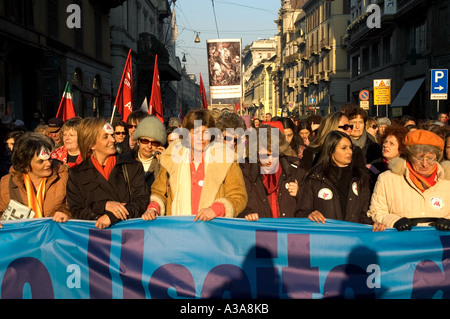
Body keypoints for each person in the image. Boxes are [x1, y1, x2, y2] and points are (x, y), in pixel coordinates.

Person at [142, 108, 247, 222]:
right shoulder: (172, 158)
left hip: (212, 232)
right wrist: (153, 208)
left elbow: (238, 196)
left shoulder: (226, 160)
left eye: (205, 132)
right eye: (195, 133)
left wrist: (216, 210)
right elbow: (159, 192)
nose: (201, 138)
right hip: (179, 232)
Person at [66, 117, 149, 229]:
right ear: (91, 144)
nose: (113, 140)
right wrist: (103, 206)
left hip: (127, 236)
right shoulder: (77, 173)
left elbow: (141, 201)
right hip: (94, 237)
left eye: (112, 135)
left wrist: (112, 217)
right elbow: (76, 210)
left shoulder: (132, 167)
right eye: (105, 137)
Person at [368, 129, 450, 231]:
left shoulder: (447, 181)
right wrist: (394, 221)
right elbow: (376, 212)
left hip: (439, 245)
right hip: (400, 243)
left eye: (430, 158)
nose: (424, 164)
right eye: (419, 158)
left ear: (437, 157)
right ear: (409, 156)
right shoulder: (387, 179)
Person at [295, 131, 377, 228]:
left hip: (352, 239)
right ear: (331, 151)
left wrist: (374, 224)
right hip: (325, 238)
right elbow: (301, 212)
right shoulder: (315, 178)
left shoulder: (360, 178)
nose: (349, 151)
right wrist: (310, 214)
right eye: (344, 148)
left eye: (350, 147)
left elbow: (363, 215)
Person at [0, 132, 71, 226]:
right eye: (41, 161)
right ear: (25, 166)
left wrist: (65, 213)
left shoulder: (64, 177)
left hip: (53, 238)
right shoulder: (6, 182)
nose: (48, 164)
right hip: (22, 238)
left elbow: (76, 207)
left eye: (49, 158)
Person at [238, 126, 306, 221]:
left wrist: (300, 193)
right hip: (260, 232)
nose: (269, 160)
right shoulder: (245, 172)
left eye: (273, 155)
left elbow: (309, 207)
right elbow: (236, 202)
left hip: (287, 233)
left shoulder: (295, 170)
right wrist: (246, 213)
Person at [132, 116, 167, 190]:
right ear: (138, 141)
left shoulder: (162, 164)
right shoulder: (128, 160)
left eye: (154, 143)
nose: (149, 146)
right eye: (145, 141)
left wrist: (164, 165)